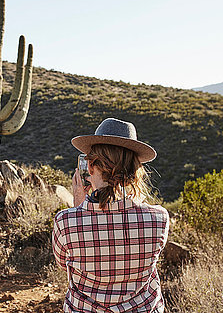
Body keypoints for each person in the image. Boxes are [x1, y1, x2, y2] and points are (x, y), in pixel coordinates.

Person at [52, 118, 169, 313]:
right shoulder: (159, 219)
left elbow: (66, 266)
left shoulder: (65, 222)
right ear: (136, 171)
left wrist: (80, 206)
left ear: (90, 167)